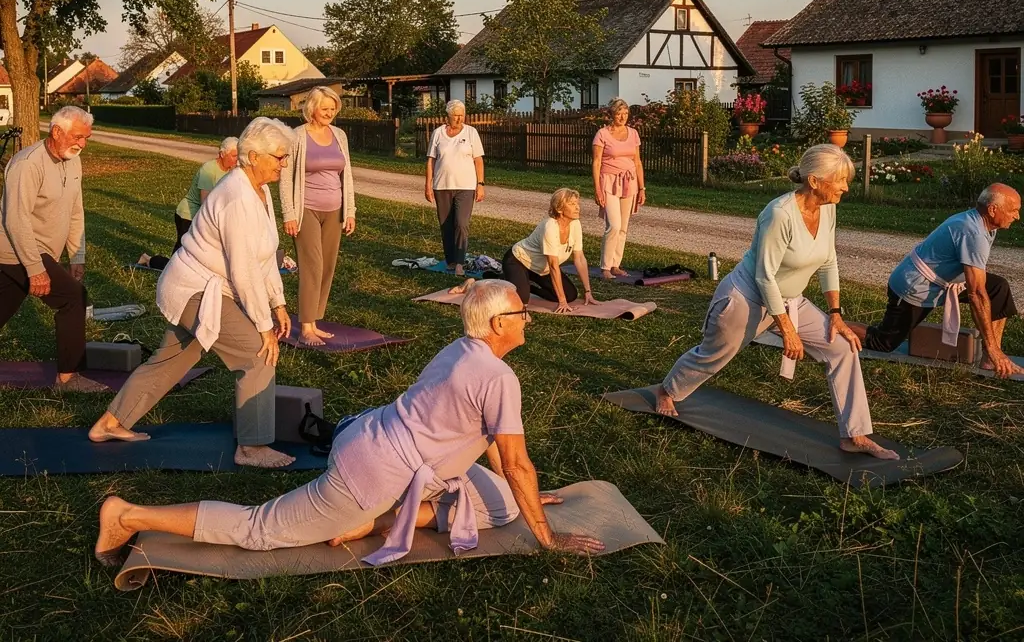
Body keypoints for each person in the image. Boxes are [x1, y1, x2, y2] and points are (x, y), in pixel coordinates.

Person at [94, 279, 604, 566]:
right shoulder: (499, 377)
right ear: (497, 325)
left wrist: (521, 495)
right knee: (259, 529)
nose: (527, 318)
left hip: (367, 434)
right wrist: (547, 537)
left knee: (501, 507)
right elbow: (516, 462)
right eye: (521, 313)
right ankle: (128, 515)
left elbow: (496, 446)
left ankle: (375, 521)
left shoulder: (461, 349)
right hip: (369, 473)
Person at [652, 144, 898, 460]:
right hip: (745, 298)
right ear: (815, 181)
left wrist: (836, 314)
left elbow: (829, 260)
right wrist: (787, 330)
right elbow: (765, 276)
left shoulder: (828, 208)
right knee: (713, 355)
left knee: (842, 347)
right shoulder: (779, 214)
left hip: (790, 299)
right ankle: (667, 390)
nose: (845, 188)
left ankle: (855, 435)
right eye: (840, 180)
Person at [89, 118, 297, 469]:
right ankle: (252, 448)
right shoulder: (235, 197)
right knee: (258, 355)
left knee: (171, 360)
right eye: (279, 156)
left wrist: (278, 303)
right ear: (253, 156)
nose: (284, 163)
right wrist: (264, 326)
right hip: (195, 289)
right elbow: (243, 269)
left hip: (205, 288)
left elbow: (264, 256)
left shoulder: (260, 192)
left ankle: (109, 423)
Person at [858, 184, 1022, 377]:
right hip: (914, 286)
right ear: (993, 209)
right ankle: (837, 327)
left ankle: (990, 358)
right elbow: (976, 293)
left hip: (943, 282)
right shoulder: (973, 232)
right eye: (1013, 210)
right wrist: (993, 347)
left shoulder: (985, 225)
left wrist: (992, 346)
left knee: (998, 288)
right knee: (882, 343)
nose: (1017, 216)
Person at [0, 106, 105, 392]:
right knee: (73, 298)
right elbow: (16, 220)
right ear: (57, 131)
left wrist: (77, 255)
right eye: (77, 137)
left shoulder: (73, 161)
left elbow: (75, 210)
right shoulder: (27, 164)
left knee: (4, 306)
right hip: (16, 251)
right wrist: (35, 269)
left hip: (41, 252)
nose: (82, 144)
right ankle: (68, 379)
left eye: (86, 138)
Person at [279, 86, 356, 347]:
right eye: (325, 108)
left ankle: (314, 320)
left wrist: (350, 211)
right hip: (306, 210)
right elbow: (285, 178)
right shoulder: (297, 136)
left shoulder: (339, 135)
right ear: (312, 108)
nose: (330, 113)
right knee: (312, 265)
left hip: (335, 209)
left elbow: (347, 175)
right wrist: (289, 214)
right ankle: (305, 327)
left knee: (327, 266)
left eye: (333, 109)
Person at [453, 188, 596, 315]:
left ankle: (520, 284)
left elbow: (579, 258)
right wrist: (562, 302)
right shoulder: (550, 227)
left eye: (577, 203)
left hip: (540, 268)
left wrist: (588, 292)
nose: (577, 207)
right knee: (521, 301)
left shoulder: (575, 224)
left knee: (571, 295)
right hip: (518, 261)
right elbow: (553, 266)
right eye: (572, 204)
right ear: (559, 209)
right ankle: (474, 284)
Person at [424, 100, 485, 276]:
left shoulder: (471, 132)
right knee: (446, 224)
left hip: (466, 186)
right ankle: (450, 260)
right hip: (442, 185)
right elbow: (431, 160)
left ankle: (459, 262)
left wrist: (480, 184)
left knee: (461, 223)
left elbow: (478, 160)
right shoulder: (438, 133)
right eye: (455, 115)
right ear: (448, 116)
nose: (459, 118)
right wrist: (428, 184)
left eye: (461, 115)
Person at [592, 98, 645, 278]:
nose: (622, 117)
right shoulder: (602, 134)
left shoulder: (633, 134)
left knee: (623, 227)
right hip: (608, 181)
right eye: (619, 113)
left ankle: (616, 264)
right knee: (613, 225)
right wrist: (597, 189)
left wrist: (642, 188)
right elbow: (596, 162)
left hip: (630, 182)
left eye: (625, 113)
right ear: (612, 115)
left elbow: (637, 162)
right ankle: (605, 267)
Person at [171, 137, 238, 251]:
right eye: (234, 156)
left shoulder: (231, 172)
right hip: (189, 214)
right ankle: (150, 259)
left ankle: (149, 259)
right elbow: (205, 202)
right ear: (222, 154)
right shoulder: (208, 170)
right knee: (183, 252)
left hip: (205, 216)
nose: (236, 160)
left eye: (238, 156)